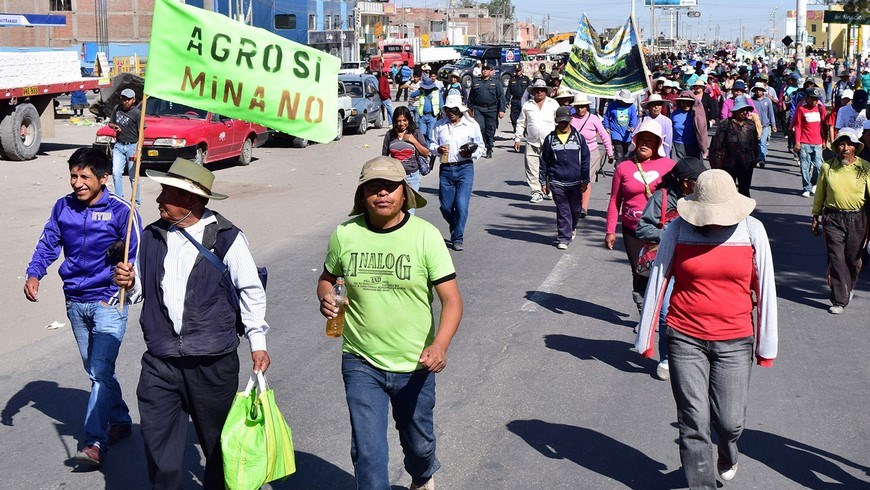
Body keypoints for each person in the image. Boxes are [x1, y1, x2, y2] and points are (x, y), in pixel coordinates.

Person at [113, 158, 270, 489]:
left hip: (211, 362)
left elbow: (251, 291)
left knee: (217, 449)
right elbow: (144, 289)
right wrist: (130, 282)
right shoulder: (151, 235)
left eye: (167, 194)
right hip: (161, 360)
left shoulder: (227, 238)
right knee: (159, 447)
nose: (158, 200)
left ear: (192, 200)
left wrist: (258, 343)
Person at [317, 156, 463, 490]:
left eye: (391, 187)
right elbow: (327, 280)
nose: (382, 194)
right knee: (368, 454)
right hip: (360, 360)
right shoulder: (344, 234)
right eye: (373, 187)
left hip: (415, 364)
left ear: (404, 193)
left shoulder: (425, 236)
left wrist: (439, 346)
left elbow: (452, 299)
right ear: (362, 194)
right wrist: (326, 296)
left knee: (419, 445)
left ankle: (423, 477)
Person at [635, 169, 777, 490]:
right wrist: (645, 336)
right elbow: (658, 278)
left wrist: (766, 344)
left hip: (735, 339)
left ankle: (728, 449)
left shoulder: (752, 230)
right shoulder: (677, 229)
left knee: (729, 421)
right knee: (693, 421)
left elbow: (766, 286)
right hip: (684, 336)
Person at [24, 147, 140, 466]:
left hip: (109, 300)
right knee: (95, 368)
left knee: (100, 372)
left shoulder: (122, 212)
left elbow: (137, 256)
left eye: (84, 176)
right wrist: (34, 273)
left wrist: (128, 281)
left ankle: (93, 442)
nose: (77, 183)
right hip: (75, 300)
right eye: (73, 175)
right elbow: (49, 243)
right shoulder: (63, 207)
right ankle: (119, 420)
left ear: (104, 179)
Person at [635, 156, 707, 381]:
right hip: (667, 264)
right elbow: (642, 228)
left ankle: (694, 354)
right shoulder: (661, 198)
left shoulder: (703, 199)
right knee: (667, 311)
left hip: (696, 264)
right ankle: (666, 358)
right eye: (698, 180)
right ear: (686, 182)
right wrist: (668, 234)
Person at [605, 119, 676, 315]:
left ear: (658, 144)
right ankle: (644, 312)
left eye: (650, 140)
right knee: (639, 271)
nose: (644, 144)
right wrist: (610, 230)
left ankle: (661, 312)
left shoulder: (669, 166)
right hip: (632, 230)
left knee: (662, 271)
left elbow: (679, 198)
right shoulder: (623, 167)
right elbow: (614, 200)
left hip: (662, 229)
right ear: (635, 141)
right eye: (641, 139)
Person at [811, 129, 870, 314]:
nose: (845, 148)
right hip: (833, 218)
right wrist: (815, 216)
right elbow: (820, 192)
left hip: (858, 218)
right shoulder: (827, 167)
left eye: (849, 144)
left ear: (855, 147)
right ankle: (839, 299)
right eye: (841, 145)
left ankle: (847, 287)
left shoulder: (865, 167)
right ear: (836, 148)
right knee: (836, 258)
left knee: (853, 259)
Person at [430, 95, 485, 251]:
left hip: (465, 168)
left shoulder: (471, 125)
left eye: (454, 110)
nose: (451, 112)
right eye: (448, 109)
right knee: (446, 206)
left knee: (461, 206)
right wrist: (437, 149)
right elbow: (432, 144)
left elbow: (480, 147)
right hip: (446, 169)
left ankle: (458, 237)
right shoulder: (439, 125)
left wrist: (471, 154)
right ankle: (455, 224)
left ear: (460, 110)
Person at [540, 106, 591, 250]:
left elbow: (586, 160)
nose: (564, 125)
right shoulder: (550, 139)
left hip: (575, 181)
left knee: (575, 210)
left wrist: (585, 179)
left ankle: (571, 228)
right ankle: (563, 237)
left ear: (571, 120)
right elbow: (544, 161)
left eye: (566, 122)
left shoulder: (579, 138)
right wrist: (543, 181)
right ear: (556, 122)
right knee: (563, 210)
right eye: (561, 122)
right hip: (557, 181)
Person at [514, 79, 559, 203]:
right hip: (532, 142)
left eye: (542, 90)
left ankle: (549, 188)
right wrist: (517, 138)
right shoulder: (528, 105)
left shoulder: (553, 104)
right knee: (532, 167)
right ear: (533, 92)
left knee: (551, 167)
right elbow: (521, 122)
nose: (539, 92)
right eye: (537, 90)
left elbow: (559, 121)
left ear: (546, 91)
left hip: (550, 142)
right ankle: (536, 191)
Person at [570, 93, 613, 217]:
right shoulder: (571, 119)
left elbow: (604, 135)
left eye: (583, 106)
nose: (580, 109)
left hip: (591, 153)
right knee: (575, 180)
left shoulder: (593, 119)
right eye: (578, 107)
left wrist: (610, 153)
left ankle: (584, 207)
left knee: (586, 179)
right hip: (574, 153)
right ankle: (576, 203)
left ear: (587, 107)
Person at [709, 95, 760, 197]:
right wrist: (717, 165)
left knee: (744, 190)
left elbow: (754, 144)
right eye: (741, 110)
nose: (744, 112)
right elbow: (716, 146)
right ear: (735, 110)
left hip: (746, 164)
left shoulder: (750, 125)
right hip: (728, 164)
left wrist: (754, 159)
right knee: (728, 191)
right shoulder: (725, 124)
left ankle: (745, 212)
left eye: (746, 110)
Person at [382, 106, 430, 195]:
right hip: (395, 177)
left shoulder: (415, 133)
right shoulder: (390, 135)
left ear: (409, 120)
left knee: (410, 208)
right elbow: (384, 157)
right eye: (399, 121)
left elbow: (426, 153)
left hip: (412, 176)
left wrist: (414, 141)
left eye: (405, 120)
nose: (402, 123)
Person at [792, 87, 828, 198]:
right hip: (804, 142)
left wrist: (824, 141)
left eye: (817, 99)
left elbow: (824, 126)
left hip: (817, 142)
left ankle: (814, 182)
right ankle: (806, 188)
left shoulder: (821, 109)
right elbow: (798, 126)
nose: (815, 101)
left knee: (819, 166)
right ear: (807, 98)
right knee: (805, 166)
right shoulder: (801, 109)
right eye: (812, 98)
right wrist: (797, 142)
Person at [108, 88, 141, 205]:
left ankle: (136, 202)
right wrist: (114, 127)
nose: (126, 101)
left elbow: (142, 132)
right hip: (119, 146)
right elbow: (110, 123)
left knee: (133, 176)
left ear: (133, 100)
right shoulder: (117, 109)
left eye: (128, 99)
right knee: (116, 173)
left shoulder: (137, 113)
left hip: (132, 146)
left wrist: (138, 151)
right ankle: (119, 200)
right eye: (124, 99)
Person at [468, 64, 505, 159]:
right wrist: (469, 110)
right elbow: (471, 97)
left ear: (490, 71)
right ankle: (483, 145)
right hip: (479, 108)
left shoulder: (496, 83)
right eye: (483, 69)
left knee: (490, 129)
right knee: (480, 128)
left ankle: (489, 148)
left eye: (487, 69)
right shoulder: (476, 82)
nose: (484, 71)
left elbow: (501, 96)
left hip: (491, 109)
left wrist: (502, 110)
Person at [603, 89, 638, 165]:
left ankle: (624, 169)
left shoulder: (631, 106)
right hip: (616, 132)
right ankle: (617, 170)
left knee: (626, 155)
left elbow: (634, 117)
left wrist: (632, 126)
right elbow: (606, 117)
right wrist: (607, 127)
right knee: (619, 154)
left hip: (627, 133)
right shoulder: (612, 105)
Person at [670, 90, 707, 160]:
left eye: (688, 102)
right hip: (677, 145)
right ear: (680, 103)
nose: (685, 105)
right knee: (678, 167)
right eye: (683, 102)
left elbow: (702, 130)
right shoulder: (674, 114)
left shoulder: (697, 114)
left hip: (693, 145)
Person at [409, 77, 443, 145]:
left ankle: (428, 150)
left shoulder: (436, 91)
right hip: (422, 116)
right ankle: (424, 148)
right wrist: (419, 90)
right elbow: (412, 95)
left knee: (430, 135)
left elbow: (441, 103)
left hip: (432, 116)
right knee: (422, 133)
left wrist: (442, 114)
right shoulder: (422, 91)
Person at [750, 82, 777, 169]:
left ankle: (761, 159)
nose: (758, 92)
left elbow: (771, 113)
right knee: (754, 143)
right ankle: (754, 159)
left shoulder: (767, 101)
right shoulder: (751, 101)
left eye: (760, 90)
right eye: (757, 90)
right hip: (754, 125)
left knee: (762, 143)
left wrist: (773, 125)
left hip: (765, 125)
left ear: (763, 91)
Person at [507, 64, 531, 133]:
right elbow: (508, 91)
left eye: (519, 70)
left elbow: (530, 91)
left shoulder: (526, 79)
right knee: (514, 117)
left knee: (524, 116)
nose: (518, 72)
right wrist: (507, 101)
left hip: (524, 100)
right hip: (515, 100)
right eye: (516, 71)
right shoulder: (512, 79)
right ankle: (516, 130)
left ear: (522, 70)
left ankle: (524, 131)